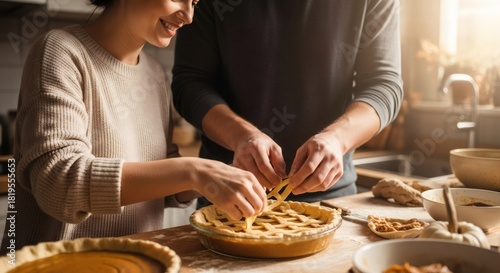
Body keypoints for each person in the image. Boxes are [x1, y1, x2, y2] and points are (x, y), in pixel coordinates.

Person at [0, 0, 267, 255]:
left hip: (137, 263)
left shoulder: (155, 74)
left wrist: (217, 178)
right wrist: (195, 171)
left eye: (194, 3)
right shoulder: (60, 51)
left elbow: (161, 175)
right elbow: (59, 183)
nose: (188, 16)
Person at [172, 0, 403, 208]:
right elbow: (190, 83)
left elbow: (384, 85)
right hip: (229, 196)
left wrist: (338, 139)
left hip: (332, 199)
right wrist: (241, 136)